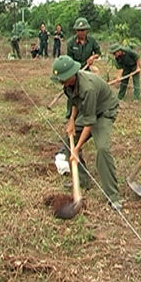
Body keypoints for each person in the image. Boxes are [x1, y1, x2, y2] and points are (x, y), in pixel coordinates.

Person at [51, 55, 121, 210]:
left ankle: (113, 196)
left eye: (62, 79)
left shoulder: (88, 88)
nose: (61, 82)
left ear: (71, 75)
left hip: (104, 111)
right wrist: (71, 120)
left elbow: (90, 122)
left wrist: (77, 149)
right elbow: (75, 101)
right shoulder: (68, 84)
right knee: (69, 142)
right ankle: (82, 180)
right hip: (89, 111)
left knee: (102, 149)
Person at [65, 17, 101, 118]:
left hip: (87, 69)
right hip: (74, 70)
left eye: (83, 30)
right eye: (79, 30)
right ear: (76, 31)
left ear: (86, 31)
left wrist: (92, 57)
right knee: (72, 92)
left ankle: (84, 112)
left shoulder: (92, 41)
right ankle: (69, 114)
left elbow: (98, 53)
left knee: (86, 91)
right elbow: (69, 60)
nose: (81, 32)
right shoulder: (71, 43)